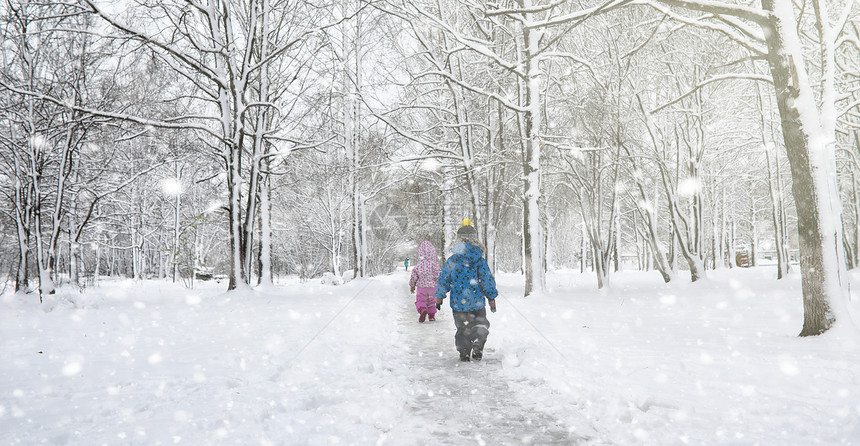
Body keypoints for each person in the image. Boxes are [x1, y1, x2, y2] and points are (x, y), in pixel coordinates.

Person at [435, 219, 497, 361]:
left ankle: (464, 352)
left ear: (458, 239)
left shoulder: (453, 260)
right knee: (481, 324)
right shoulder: (479, 260)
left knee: (462, 329)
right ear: (475, 239)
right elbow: (487, 280)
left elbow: (444, 279)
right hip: (477, 302)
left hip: (459, 303)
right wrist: (491, 298)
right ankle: (478, 341)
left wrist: (439, 297)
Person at [409, 242, 440, 323]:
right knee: (431, 301)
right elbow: (438, 276)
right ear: (432, 253)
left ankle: (423, 310)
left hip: (421, 287)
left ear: (420, 253)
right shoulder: (435, 265)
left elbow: (414, 276)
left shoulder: (419, 265)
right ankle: (431, 316)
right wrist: (439, 285)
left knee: (421, 300)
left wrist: (412, 285)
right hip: (432, 287)